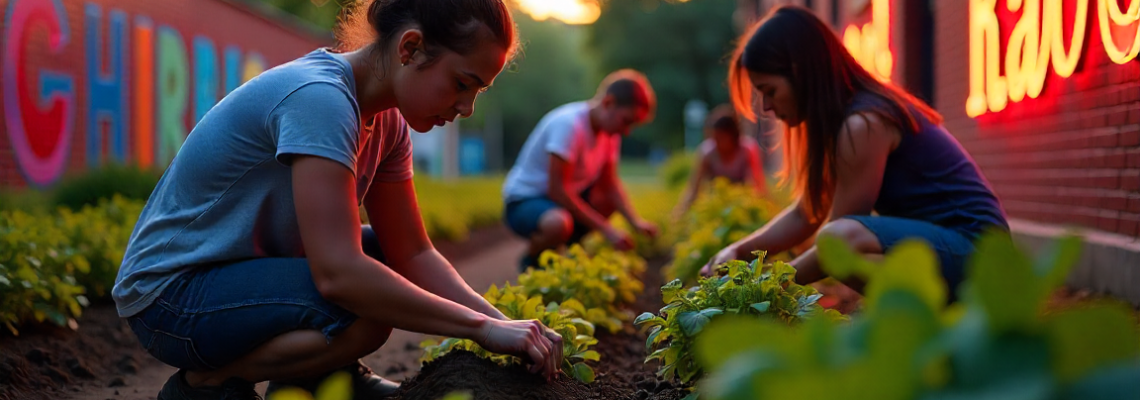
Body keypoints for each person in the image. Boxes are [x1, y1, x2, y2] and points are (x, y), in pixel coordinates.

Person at [112, 1, 564, 399]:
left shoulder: (387, 123)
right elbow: (338, 274)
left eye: (477, 92)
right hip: (170, 296)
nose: (466, 108)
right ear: (410, 48)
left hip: (234, 277)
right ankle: (206, 385)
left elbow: (413, 252)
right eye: (462, 84)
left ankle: (317, 379)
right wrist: (481, 330)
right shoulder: (320, 100)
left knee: (386, 260)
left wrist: (504, 324)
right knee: (364, 313)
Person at [703, 6, 1008, 300]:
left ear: (800, 73)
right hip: (952, 246)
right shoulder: (845, 120)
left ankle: (920, 321)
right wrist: (737, 252)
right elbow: (806, 213)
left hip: (979, 251)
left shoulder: (862, 124)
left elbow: (836, 243)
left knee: (839, 241)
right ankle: (923, 322)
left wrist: (764, 288)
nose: (767, 107)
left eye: (770, 91)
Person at [502, 70, 659, 271]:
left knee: (605, 201)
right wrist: (606, 230)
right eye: (626, 121)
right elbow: (557, 190)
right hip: (525, 201)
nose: (627, 131)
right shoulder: (569, 125)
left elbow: (610, 185)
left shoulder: (610, 135)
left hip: (560, 202)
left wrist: (635, 223)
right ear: (608, 103)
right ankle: (532, 260)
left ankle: (568, 254)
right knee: (558, 224)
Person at [673, 104, 768, 219]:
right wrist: (680, 212)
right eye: (714, 138)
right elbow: (694, 189)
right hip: (716, 206)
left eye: (720, 138)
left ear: (733, 136)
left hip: (741, 205)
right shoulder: (708, 152)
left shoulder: (747, 150)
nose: (716, 142)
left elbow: (756, 184)